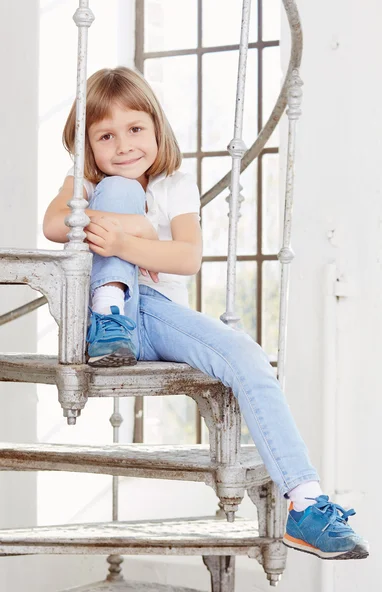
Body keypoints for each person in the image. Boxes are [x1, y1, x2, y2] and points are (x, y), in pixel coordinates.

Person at [43, 66, 369, 561]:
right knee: (119, 188)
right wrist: (137, 228)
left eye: (136, 129)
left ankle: (304, 502)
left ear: (156, 128)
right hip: (101, 321)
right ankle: (109, 310)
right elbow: (51, 224)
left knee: (247, 358)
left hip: (157, 315)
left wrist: (131, 240)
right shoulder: (85, 181)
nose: (124, 146)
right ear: (88, 147)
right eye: (106, 136)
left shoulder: (175, 183)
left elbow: (188, 258)